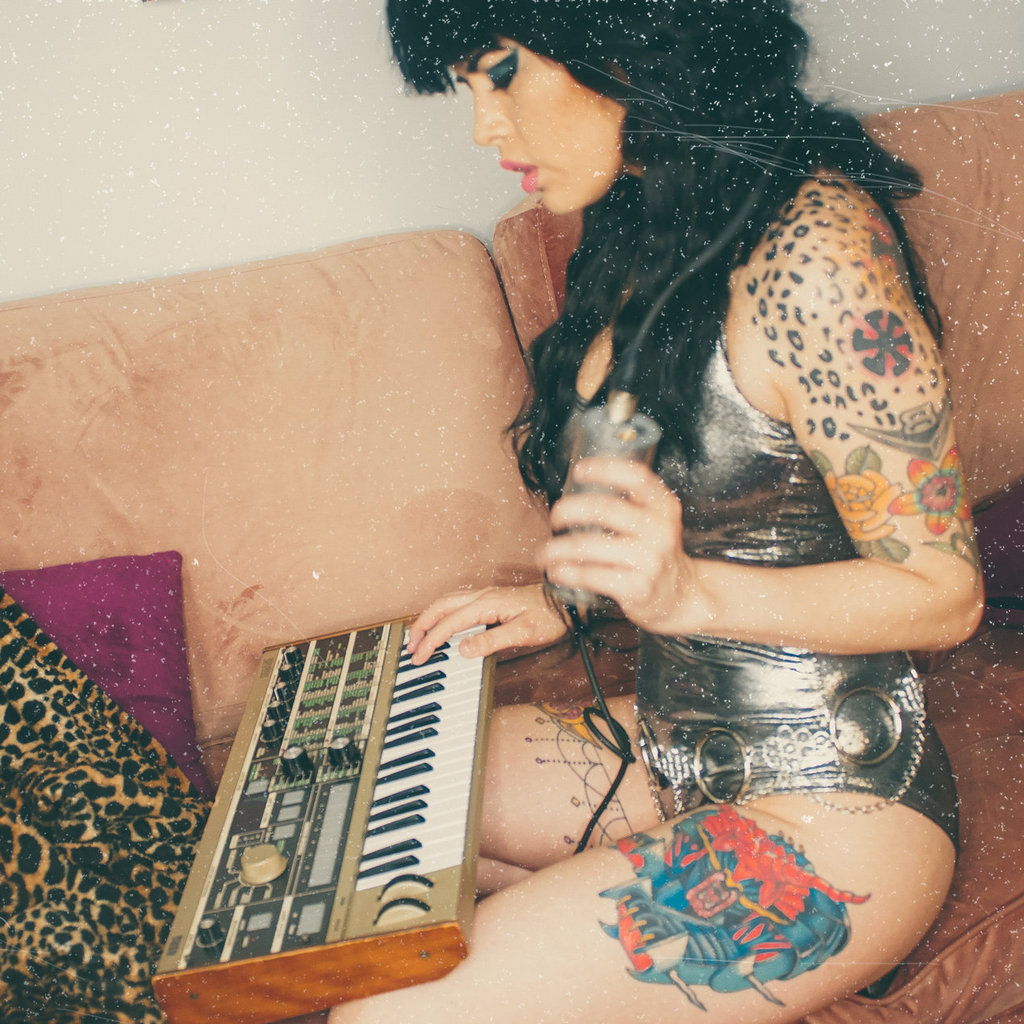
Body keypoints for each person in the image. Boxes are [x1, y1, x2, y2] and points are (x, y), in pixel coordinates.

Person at [329, 1, 984, 1020]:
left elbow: (944, 595)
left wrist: (687, 594)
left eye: (499, 74)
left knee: (386, 1013)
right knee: (362, 810)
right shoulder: (646, 208)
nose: (485, 129)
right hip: (677, 746)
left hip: (839, 806)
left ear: (624, 35)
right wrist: (564, 598)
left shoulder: (818, 253)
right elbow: (698, 481)